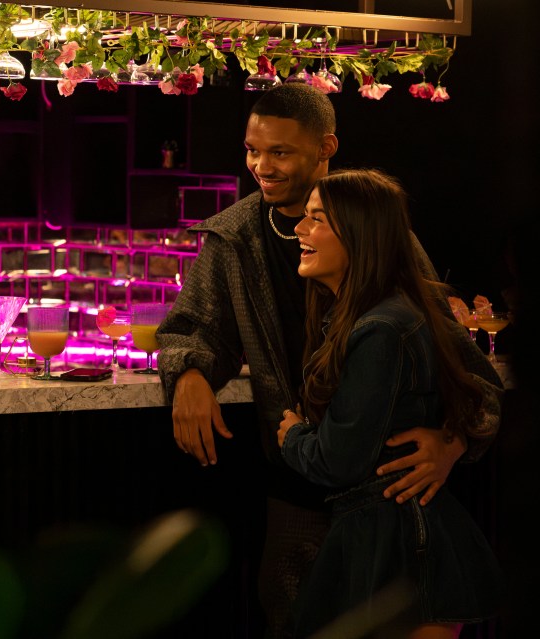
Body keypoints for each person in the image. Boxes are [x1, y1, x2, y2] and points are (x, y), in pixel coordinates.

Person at [155, 83, 502, 637]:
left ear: (326, 148)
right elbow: (192, 330)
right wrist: (190, 372)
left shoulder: (381, 234)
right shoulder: (234, 237)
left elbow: (465, 371)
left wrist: (454, 442)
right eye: (252, 150)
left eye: (280, 152)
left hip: (388, 495)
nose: (260, 166)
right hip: (296, 489)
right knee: (296, 619)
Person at [277, 168, 503, 637]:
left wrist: (293, 437)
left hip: (403, 546)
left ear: (359, 236)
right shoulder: (371, 315)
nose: (299, 228)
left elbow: (337, 461)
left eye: (317, 219)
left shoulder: (381, 329)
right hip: (388, 537)